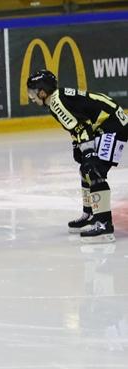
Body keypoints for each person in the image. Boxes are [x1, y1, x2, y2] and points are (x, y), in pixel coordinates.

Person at [26, 70, 127, 243]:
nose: (31, 97)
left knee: (94, 171)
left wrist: (88, 152)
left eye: (33, 92)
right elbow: (77, 125)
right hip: (106, 124)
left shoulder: (56, 102)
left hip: (113, 125)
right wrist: (77, 145)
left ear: (42, 92)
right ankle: (91, 215)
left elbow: (83, 126)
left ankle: (104, 225)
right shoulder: (56, 99)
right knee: (85, 170)